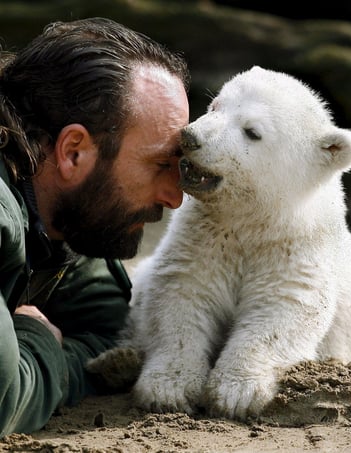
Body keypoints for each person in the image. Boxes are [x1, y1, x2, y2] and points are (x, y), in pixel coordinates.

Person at [0, 17, 190, 436]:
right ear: (73, 152)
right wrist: (41, 338)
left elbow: (113, 340)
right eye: (160, 164)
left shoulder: (60, 224)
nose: (174, 197)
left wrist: (35, 360)